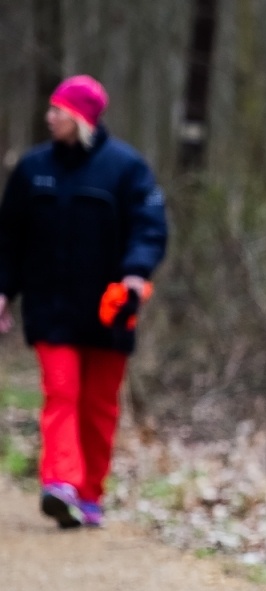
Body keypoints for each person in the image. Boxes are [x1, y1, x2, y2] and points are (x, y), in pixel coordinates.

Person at [0, 75, 169, 529]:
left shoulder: (127, 168)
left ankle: (89, 493)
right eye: (50, 109)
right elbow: (9, 238)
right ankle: (60, 484)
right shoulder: (32, 170)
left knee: (99, 406)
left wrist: (135, 274)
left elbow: (149, 228)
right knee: (61, 393)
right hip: (50, 307)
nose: (49, 117)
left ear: (81, 117)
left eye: (58, 110)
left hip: (109, 310)